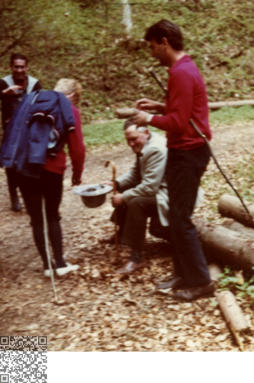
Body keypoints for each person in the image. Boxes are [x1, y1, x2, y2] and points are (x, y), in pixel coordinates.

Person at [133, 19, 214, 301]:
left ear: (164, 42)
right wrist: (159, 106)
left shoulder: (180, 72)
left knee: (180, 219)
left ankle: (201, 281)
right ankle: (184, 274)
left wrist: (149, 119)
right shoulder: (182, 68)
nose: (153, 52)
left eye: (154, 47)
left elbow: (179, 122)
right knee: (176, 218)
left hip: (189, 151)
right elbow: (184, 108)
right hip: (185, 150)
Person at [1, 78, 86, 277]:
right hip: (52, 169)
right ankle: (61, 263)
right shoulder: (70, 109)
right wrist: (77, 174)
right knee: (52, 216)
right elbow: (78, 149)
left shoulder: (29, 102)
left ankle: (47, 266)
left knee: (37, 219)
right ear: (72, 95)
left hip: (24, 166)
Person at [107, 119, 169, 275]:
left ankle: (136, 257)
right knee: (126, 192)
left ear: (146, 133)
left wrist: (124, 196)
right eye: (128, 140)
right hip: (157, 188)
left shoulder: (155, 149)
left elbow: (149, 187)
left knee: (135, 202)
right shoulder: (144, 144)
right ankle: (122, 234)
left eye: (134, 139)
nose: (131, 144)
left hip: (169, 193)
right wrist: (115, 184)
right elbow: (135, 174)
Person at [0, 53, 42, 211]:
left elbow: (42, 103)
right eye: (16, 67)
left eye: (22, 67)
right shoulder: (4, 83)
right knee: (10, 164)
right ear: (10, 67)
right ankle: (14, 196)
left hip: (29, 129)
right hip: (9, 130)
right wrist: (5, 94)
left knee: (29, 161)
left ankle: (30, 195)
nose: (19, 70)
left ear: (27, 67)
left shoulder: (34, 83)